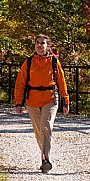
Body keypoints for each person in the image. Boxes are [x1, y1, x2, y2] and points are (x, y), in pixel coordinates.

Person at [14, 34, 70, 173]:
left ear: (48, 46)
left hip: (50, 99)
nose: (40, 45)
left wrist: (66, 100)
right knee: (39, 131)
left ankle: (46, 160)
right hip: (32, 100)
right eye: (37, 43)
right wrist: (18, 102)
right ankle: (44, 157)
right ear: (35, 45)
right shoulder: (28, 62)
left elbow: (61, 81)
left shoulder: (53, 61)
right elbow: (20, 83)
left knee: (46, 127)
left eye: (43, 43)